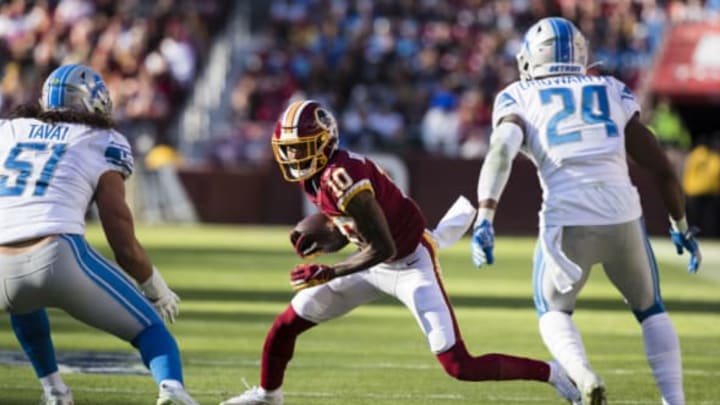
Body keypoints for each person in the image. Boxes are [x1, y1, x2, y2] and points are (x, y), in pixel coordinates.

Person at [220, 99, 581, 405]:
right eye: (289, 148)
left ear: (324, 142)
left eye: (300, 147)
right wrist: (330, 237)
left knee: (460, 366)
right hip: (372, 261)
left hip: (409, 263)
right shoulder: (317, 176)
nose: (293, 155)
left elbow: (384, 246)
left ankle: (551, 371)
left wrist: (330, 271)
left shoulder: (341, 177)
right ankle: (269, 396)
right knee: (286, 324)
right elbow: (357, 233)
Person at [470, 17, 702, 405]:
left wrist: (485, 215)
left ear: (532, 57)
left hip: (567, 218)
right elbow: (660, 167)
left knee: (553, 311)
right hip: (622, 215)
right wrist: (680, 225)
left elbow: (500, 152)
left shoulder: (518, 96)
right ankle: (674, 401)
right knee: (651, 310)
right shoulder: (610, 89)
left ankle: (582, 376)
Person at [0, 64, 199, 405]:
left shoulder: (9, 130)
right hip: (58, 254)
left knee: (24, 302)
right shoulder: (100, 140)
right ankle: (172, 391)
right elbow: (120, 234)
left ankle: (55, 391)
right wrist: (153, 285)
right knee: (151, 330)